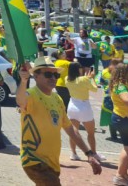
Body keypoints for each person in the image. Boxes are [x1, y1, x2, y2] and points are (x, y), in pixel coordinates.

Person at [17, 57, 102, 185]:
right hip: (34, 160)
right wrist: (23, 82)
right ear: (36, 75)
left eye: (56, 75)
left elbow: (70, 129)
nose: (53, 78)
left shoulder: (57, 98)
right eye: (48, 74)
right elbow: (20, 101)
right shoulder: (31, 94)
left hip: (52, 163)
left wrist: (89, 153)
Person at [64, 62, 104, 162]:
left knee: (74, 133)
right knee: (90, 133)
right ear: (78, 69)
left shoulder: (66, 79)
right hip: (84, 107)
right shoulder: (84, 79)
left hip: (72, 106)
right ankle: (94, 153)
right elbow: (95, 89)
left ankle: (73, 153)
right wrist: (92, 78)